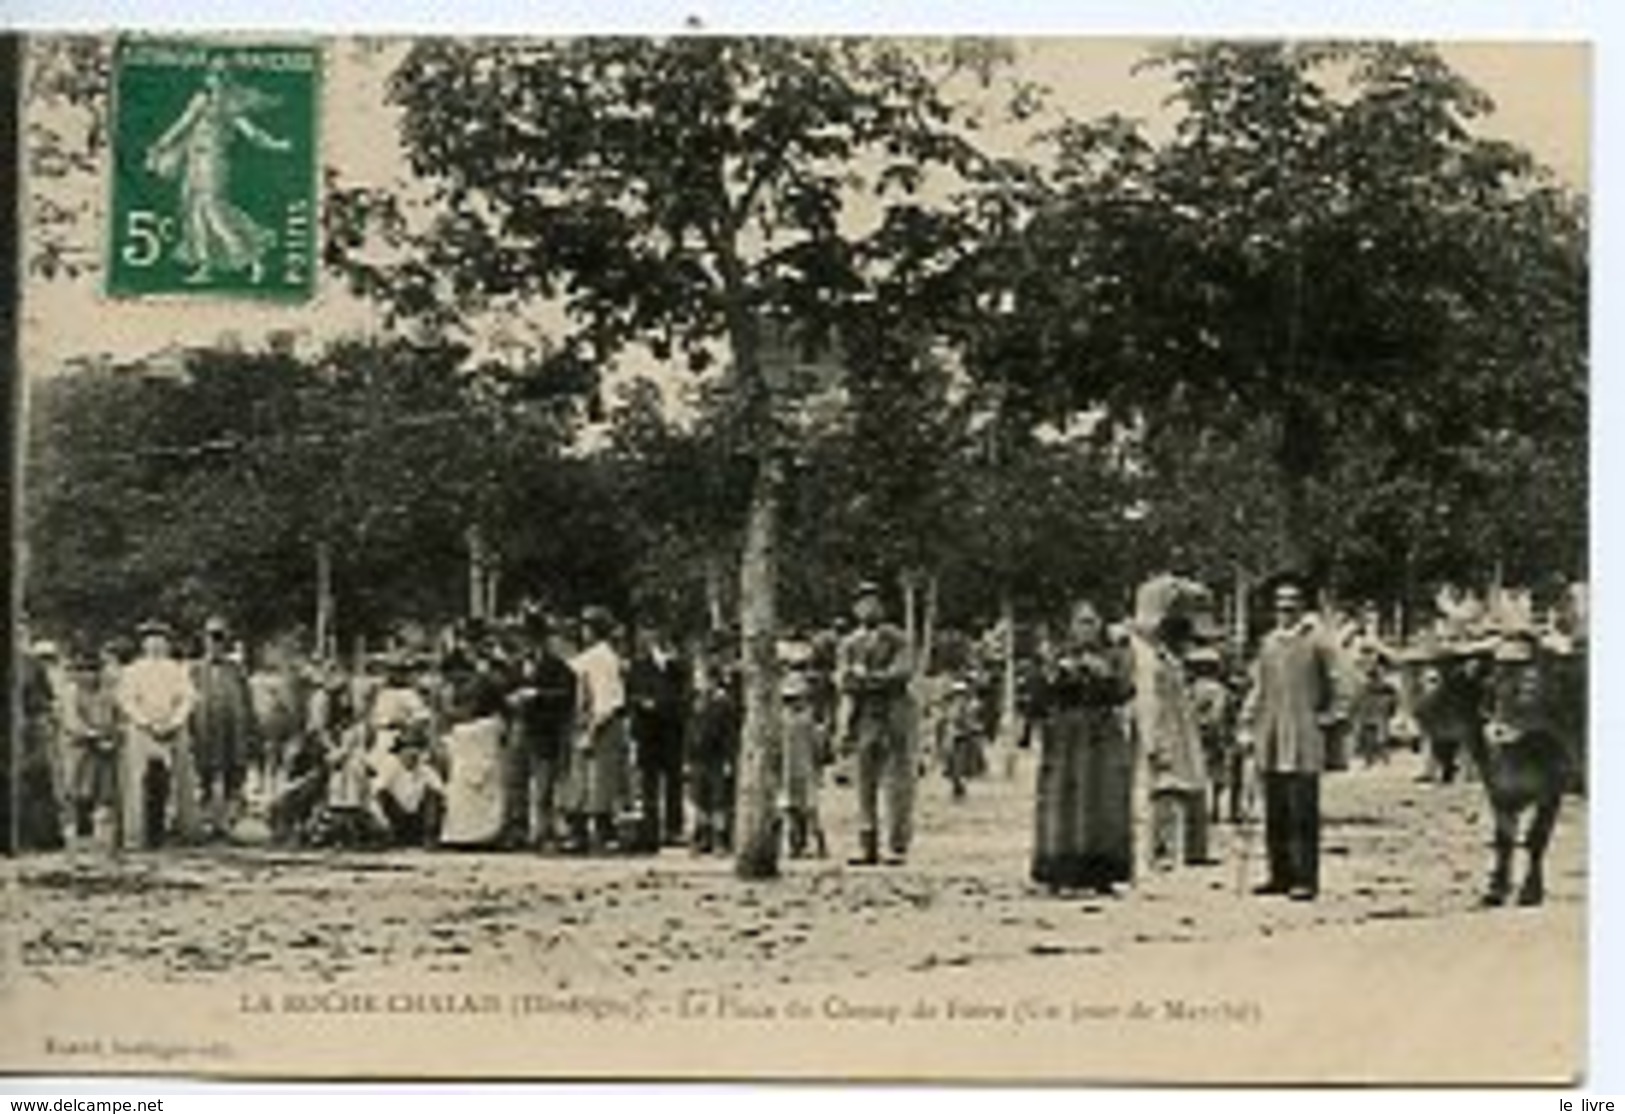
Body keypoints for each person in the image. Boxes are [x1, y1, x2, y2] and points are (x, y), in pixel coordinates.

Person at [143, 55, 292, 285]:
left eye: (220, 75)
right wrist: (161, 145)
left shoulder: (230, 104)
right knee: (194, 212)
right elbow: (183, 124)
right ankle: (205, 266)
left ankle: (253, 256)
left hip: (213, 162)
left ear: (227, 78)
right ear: (207, 77)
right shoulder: (200, 99)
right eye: (212, 74)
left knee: (213, 210)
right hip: (194, 160)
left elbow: (251, 132)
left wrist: (275, 144)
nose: (215, 79)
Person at [1030, 600, 1137, 895]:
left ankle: (1101, 873)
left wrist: (1102, 674)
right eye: (1081, 622)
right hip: (1065, 735)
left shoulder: (1116, 655)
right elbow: (1038, 696)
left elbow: (1126, 690)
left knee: (1103, 801)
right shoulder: (1056, 655)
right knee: (1062, 802)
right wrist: (1054, 675)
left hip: (1102, 734)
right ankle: (1058, 870)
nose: (1086, 628)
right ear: (1070, 626)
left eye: (1092, 622)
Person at [1241, 579, 1338, 901]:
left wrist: (1332, 715)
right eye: (1281, 604)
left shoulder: (1317, 643)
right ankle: (1279, 875)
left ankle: (1305, 879)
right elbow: (1258, 686)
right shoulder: (1268, 643)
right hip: (1270, 734)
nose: (1286, 609)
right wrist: (1246, 723)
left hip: (1304, 735)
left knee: (1303, 812)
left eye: (1293, 603)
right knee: (1276, 811)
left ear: (1302, 607)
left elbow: (1341, 680)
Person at [837, 581, 915, 867]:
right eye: (861, 602)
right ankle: (867, 844)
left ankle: (897, 845)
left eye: (873, 601)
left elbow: (902, 673)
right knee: (864, 782)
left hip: (895, 713)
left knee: (897, 780)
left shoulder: (897, 638)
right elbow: (843, 680)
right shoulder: (849, 643)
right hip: (863, 715)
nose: (867, 607)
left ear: (883, 606)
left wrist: (867, 678)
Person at [115, 620, 199, 849]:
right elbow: (126, 700)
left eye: (160, 640)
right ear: (143, 644)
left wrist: (174, 721)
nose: (155, 645)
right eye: (150, 639)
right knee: (138, 780)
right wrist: (146, 722)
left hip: (173, 728)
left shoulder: (177, 669)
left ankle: (179, 831)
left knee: (177, 779)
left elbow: (188, 698)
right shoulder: (132, 671)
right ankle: (137, 833)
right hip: (142, 730)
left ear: (167, 643)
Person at [508, 610, 580, 850]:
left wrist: (537, 695)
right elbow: (505, 689)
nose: (524, 644)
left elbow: (567, 695)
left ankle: (543, 831)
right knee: (516, 781)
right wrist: (511, 699)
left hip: (544, 729)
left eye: (528, 638)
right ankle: (518, 830)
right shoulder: (516, 664)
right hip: (520, 725)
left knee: (543, 784)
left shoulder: (557, 666)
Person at [438, 637, 513, 850]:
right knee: (464, 785)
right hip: (470, 735)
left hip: (480, 732)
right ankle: (465, 832)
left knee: (479, 784)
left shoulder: (480, 683)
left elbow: (471, 711)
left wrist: (448, 713)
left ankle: (483, 833)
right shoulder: (470, 684)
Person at [565, 607, 629, 854]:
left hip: (601, 723)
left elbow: (607, 702)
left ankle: (603, 834)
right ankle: (580, 833)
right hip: (587, 720)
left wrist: (590, 732)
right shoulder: (591, 656)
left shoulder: (602, 658)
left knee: (599, 781)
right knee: (581, 781)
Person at [190, 615, 259, 840]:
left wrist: (251, 731)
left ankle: (230, 823)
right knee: (205, 775)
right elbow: (187, 702)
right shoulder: (195, 670)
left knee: (234, 775)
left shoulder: (237, 670)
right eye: (211, 637)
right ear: (204, 640)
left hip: (233, 729)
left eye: (220, 638)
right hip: (206, 729)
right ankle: (207, 821)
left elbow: (247, 703)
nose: (215, 643)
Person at [627, 621, 690, 850]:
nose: (648, 638)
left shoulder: (677, 666)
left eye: (653, 633)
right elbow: (631, 694)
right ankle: (650, 828)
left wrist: (661, 704)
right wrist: (642, 704)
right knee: (648, 783)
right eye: (646, 633)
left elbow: (683, 696)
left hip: (671, 730)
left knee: (673, 781)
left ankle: (674, 828)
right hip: (647, 731)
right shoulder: (637, 666)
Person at [61, 647, 124, 847]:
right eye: (84, 671)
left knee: (106, 790)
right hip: (81, 747)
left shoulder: (109, 693)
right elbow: (71, 722)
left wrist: (113, 736)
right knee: (81, 789)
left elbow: (119, 717)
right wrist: (93, 735)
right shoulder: (71, 693)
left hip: (106, 748)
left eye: (93, 670)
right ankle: (81, 829)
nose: (89, 675)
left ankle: (104, 832)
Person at [688, 631, 741, 855]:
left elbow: (730, 734)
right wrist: (687, 758)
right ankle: (703, 837)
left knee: (719, 799)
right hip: (699, 756)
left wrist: (730, 759)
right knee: (700, 798)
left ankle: (721, 838)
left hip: (718, 757)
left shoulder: (723, 702)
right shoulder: (696, 703)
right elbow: (690, 733)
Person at [780, 670, 828, 858]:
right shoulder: (782, 720)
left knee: (809, 808)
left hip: (804, 768)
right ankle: (796, 844)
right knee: (792, 808)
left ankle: (817, 843)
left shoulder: (808, 721)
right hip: (789, 769)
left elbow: (817, 748)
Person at [375, 723, 445, 848]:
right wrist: (383, 823)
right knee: (382, 794)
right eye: (407, 749)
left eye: (415, 748)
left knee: (433, 794)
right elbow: (376, 793)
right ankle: (392, 836)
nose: (411, 753)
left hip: (417, 819)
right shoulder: (390, 767)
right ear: (400, 752)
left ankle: (428, 837)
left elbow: (441, 792)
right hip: (396, 817)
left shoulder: (425, 770)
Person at [1188, 647, 1237, 823]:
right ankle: (1215, 808)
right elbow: (1220, 714)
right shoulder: (1219, 690)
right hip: (1215, 736)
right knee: (1217, 773)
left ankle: (1207, 809)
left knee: (1202, 772)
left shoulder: (1191, 689)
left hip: (1198, 735)